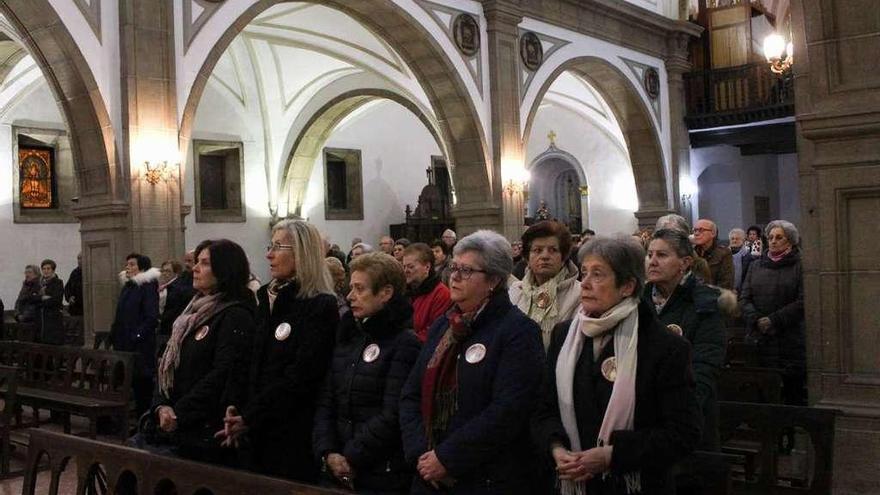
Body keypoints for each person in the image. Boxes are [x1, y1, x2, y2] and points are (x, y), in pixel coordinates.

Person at [532, 237, 700, 494]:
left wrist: (613, 455)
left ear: (627, 286)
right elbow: (543, 408)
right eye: (584, 272)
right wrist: (555, 447)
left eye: (597, 275)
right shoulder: (563, 335)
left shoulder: (664, 347)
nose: (584, 283)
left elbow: (682, 434)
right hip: (573, 480)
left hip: (635, 484)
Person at [400, 230, 545, 494]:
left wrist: (447, 458)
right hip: (428, 474)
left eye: (466, 271)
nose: (453, 276)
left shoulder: (518, 331)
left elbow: (508, 410)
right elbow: (411, 393)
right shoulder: (444, 326)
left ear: (493, 280)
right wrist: (422, 455)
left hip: (484, 477)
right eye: (454, 267)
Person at [217, 220, 339, 482]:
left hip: (290, 431)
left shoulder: (319, 306)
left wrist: (250, 416)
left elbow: (301, 376)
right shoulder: (264, 298)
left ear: (302, 253)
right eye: (269, 246)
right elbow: (245, 359)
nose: (268, 254)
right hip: (253, 427)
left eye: (277, 247)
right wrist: (234, 405)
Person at [313, 253, 422, 493]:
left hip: (380, 472)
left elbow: (393, 413)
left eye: (359, 289)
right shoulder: (349, 337)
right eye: (351, 288)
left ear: (385, 293)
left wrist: (350, 456)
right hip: (335, 467)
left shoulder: (405, 344)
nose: (350, 296)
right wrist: (328, 451)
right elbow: (327, 400)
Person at [143, 239, 255, 464]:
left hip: (204, 429)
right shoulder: (192, 312)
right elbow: (167, 365)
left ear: (225, 270)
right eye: (196, 262)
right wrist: (161, 406)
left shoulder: (235, 314)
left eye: (204, 263)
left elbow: (222, 374)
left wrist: (178, 413)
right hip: (177, 424)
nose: (194, 268)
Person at [644, 229, 725, 450]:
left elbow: (706, 363)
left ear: (685, 262)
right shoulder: (639, 301)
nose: (652, 261)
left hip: (687, 419)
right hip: (643, 417)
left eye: (662, 255)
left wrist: (678, 412)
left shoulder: (703, 302)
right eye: (649, 254)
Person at [739, 220, 805, 406]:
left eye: (779, 237)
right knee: (764, 391)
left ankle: (794, 426)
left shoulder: (800, 265)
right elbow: (744, 298)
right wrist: (757, 319)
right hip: (760, 336)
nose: (773, 241)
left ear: (790, 241)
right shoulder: (755, 265)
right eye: (770, 237)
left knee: (793, 390)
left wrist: (774, 320)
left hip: (789, 337)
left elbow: (803, 300)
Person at [509, 221, 581, 350]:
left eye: (553, 250)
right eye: (537, 250)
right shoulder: (515, 291)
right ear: (527, 257)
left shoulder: (579, 293)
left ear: (563, 257)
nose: (545, 256)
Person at [111, 253, 161, 417]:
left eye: (132, 265)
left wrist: (137, 336)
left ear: (142, 268)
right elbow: (121, 314)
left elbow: (151, 316)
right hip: (124, 343)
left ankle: (143, 419)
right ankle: (123, 420)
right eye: (127, 264)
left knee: (142, 384)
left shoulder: (147, 286)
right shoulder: (129, 286)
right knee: (126, 381)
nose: (128, 268)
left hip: (140, 346)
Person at [402, 243, 451, 342]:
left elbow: (435, 332)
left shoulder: (442, 294)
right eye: (404, 267)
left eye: (411, 267)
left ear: (427, 267)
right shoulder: (404, 292)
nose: (406, 270)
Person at [158, 260, 192, 355]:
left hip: (171, 330)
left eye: (168, 271)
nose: (164, 273)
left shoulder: (177, 288)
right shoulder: (163, 287)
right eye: (163, 271)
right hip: (163, 329)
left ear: (176, 273)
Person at [692, 219, 734, 289]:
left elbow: (726, 283)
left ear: (713, 233)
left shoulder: (724, 253)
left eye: (701, 230)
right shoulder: (691, 252)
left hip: (713, 296)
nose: (696, 233)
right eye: (695, 230)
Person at [38, 259, 65, 345]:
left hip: (53, 319)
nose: (46, 271)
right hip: (41, 319)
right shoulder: (39, 284)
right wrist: (42, 298)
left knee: (53, 344)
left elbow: (56, 300)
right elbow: (32, 299)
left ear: (53, 270)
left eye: (48, 268)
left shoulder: (58, 283)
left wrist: (41, 299)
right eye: (44, 269)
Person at [728, 228, 753, 293]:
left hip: (742, 292)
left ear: (743, 240)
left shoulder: (749, 257)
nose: (734, 241)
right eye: (732, 239)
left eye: (737, 239)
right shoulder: (723, 255)